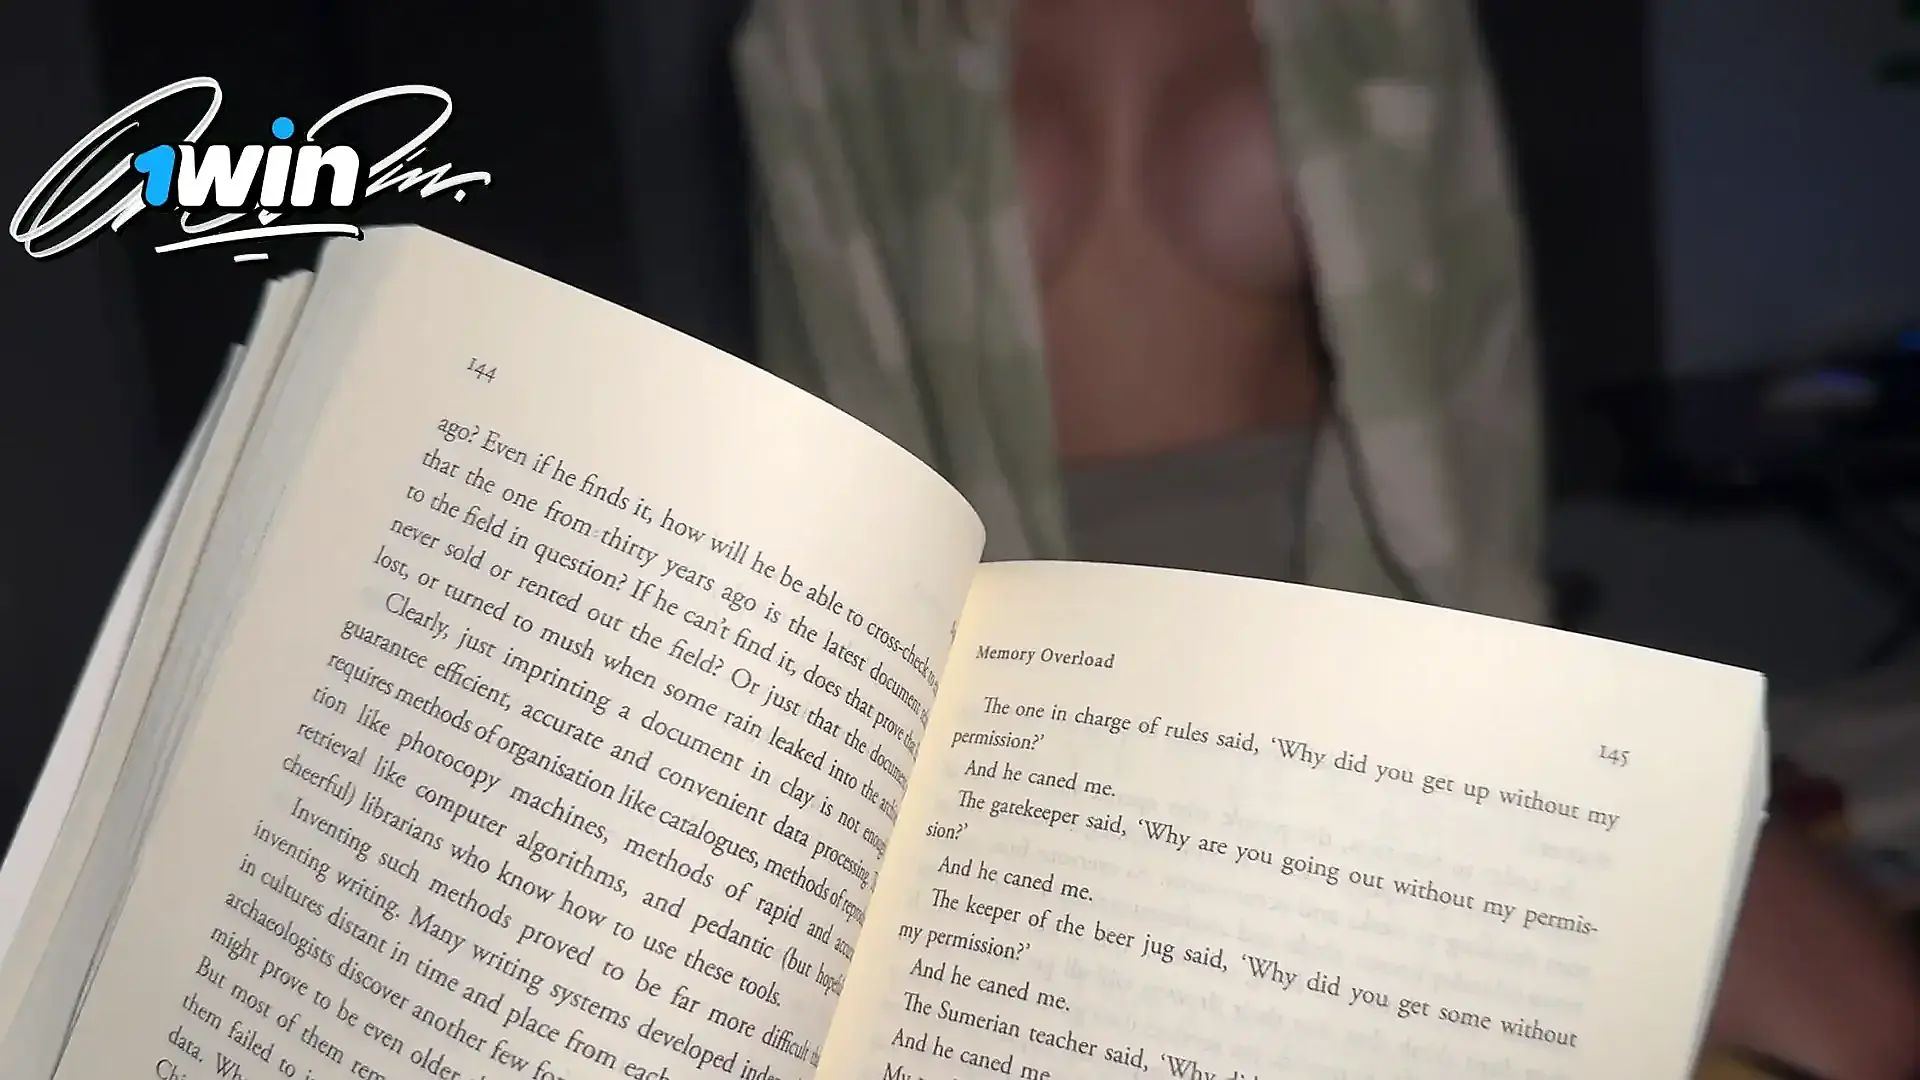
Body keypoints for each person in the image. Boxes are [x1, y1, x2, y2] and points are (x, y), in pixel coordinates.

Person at [732, 1, 1920, 1074]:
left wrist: (1512, 721)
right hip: (1031, 666)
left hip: (1350, 607)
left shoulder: (1383, 18)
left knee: (1870, 1018)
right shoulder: (826, 32)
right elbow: (841, 425)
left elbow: (1474, 383)